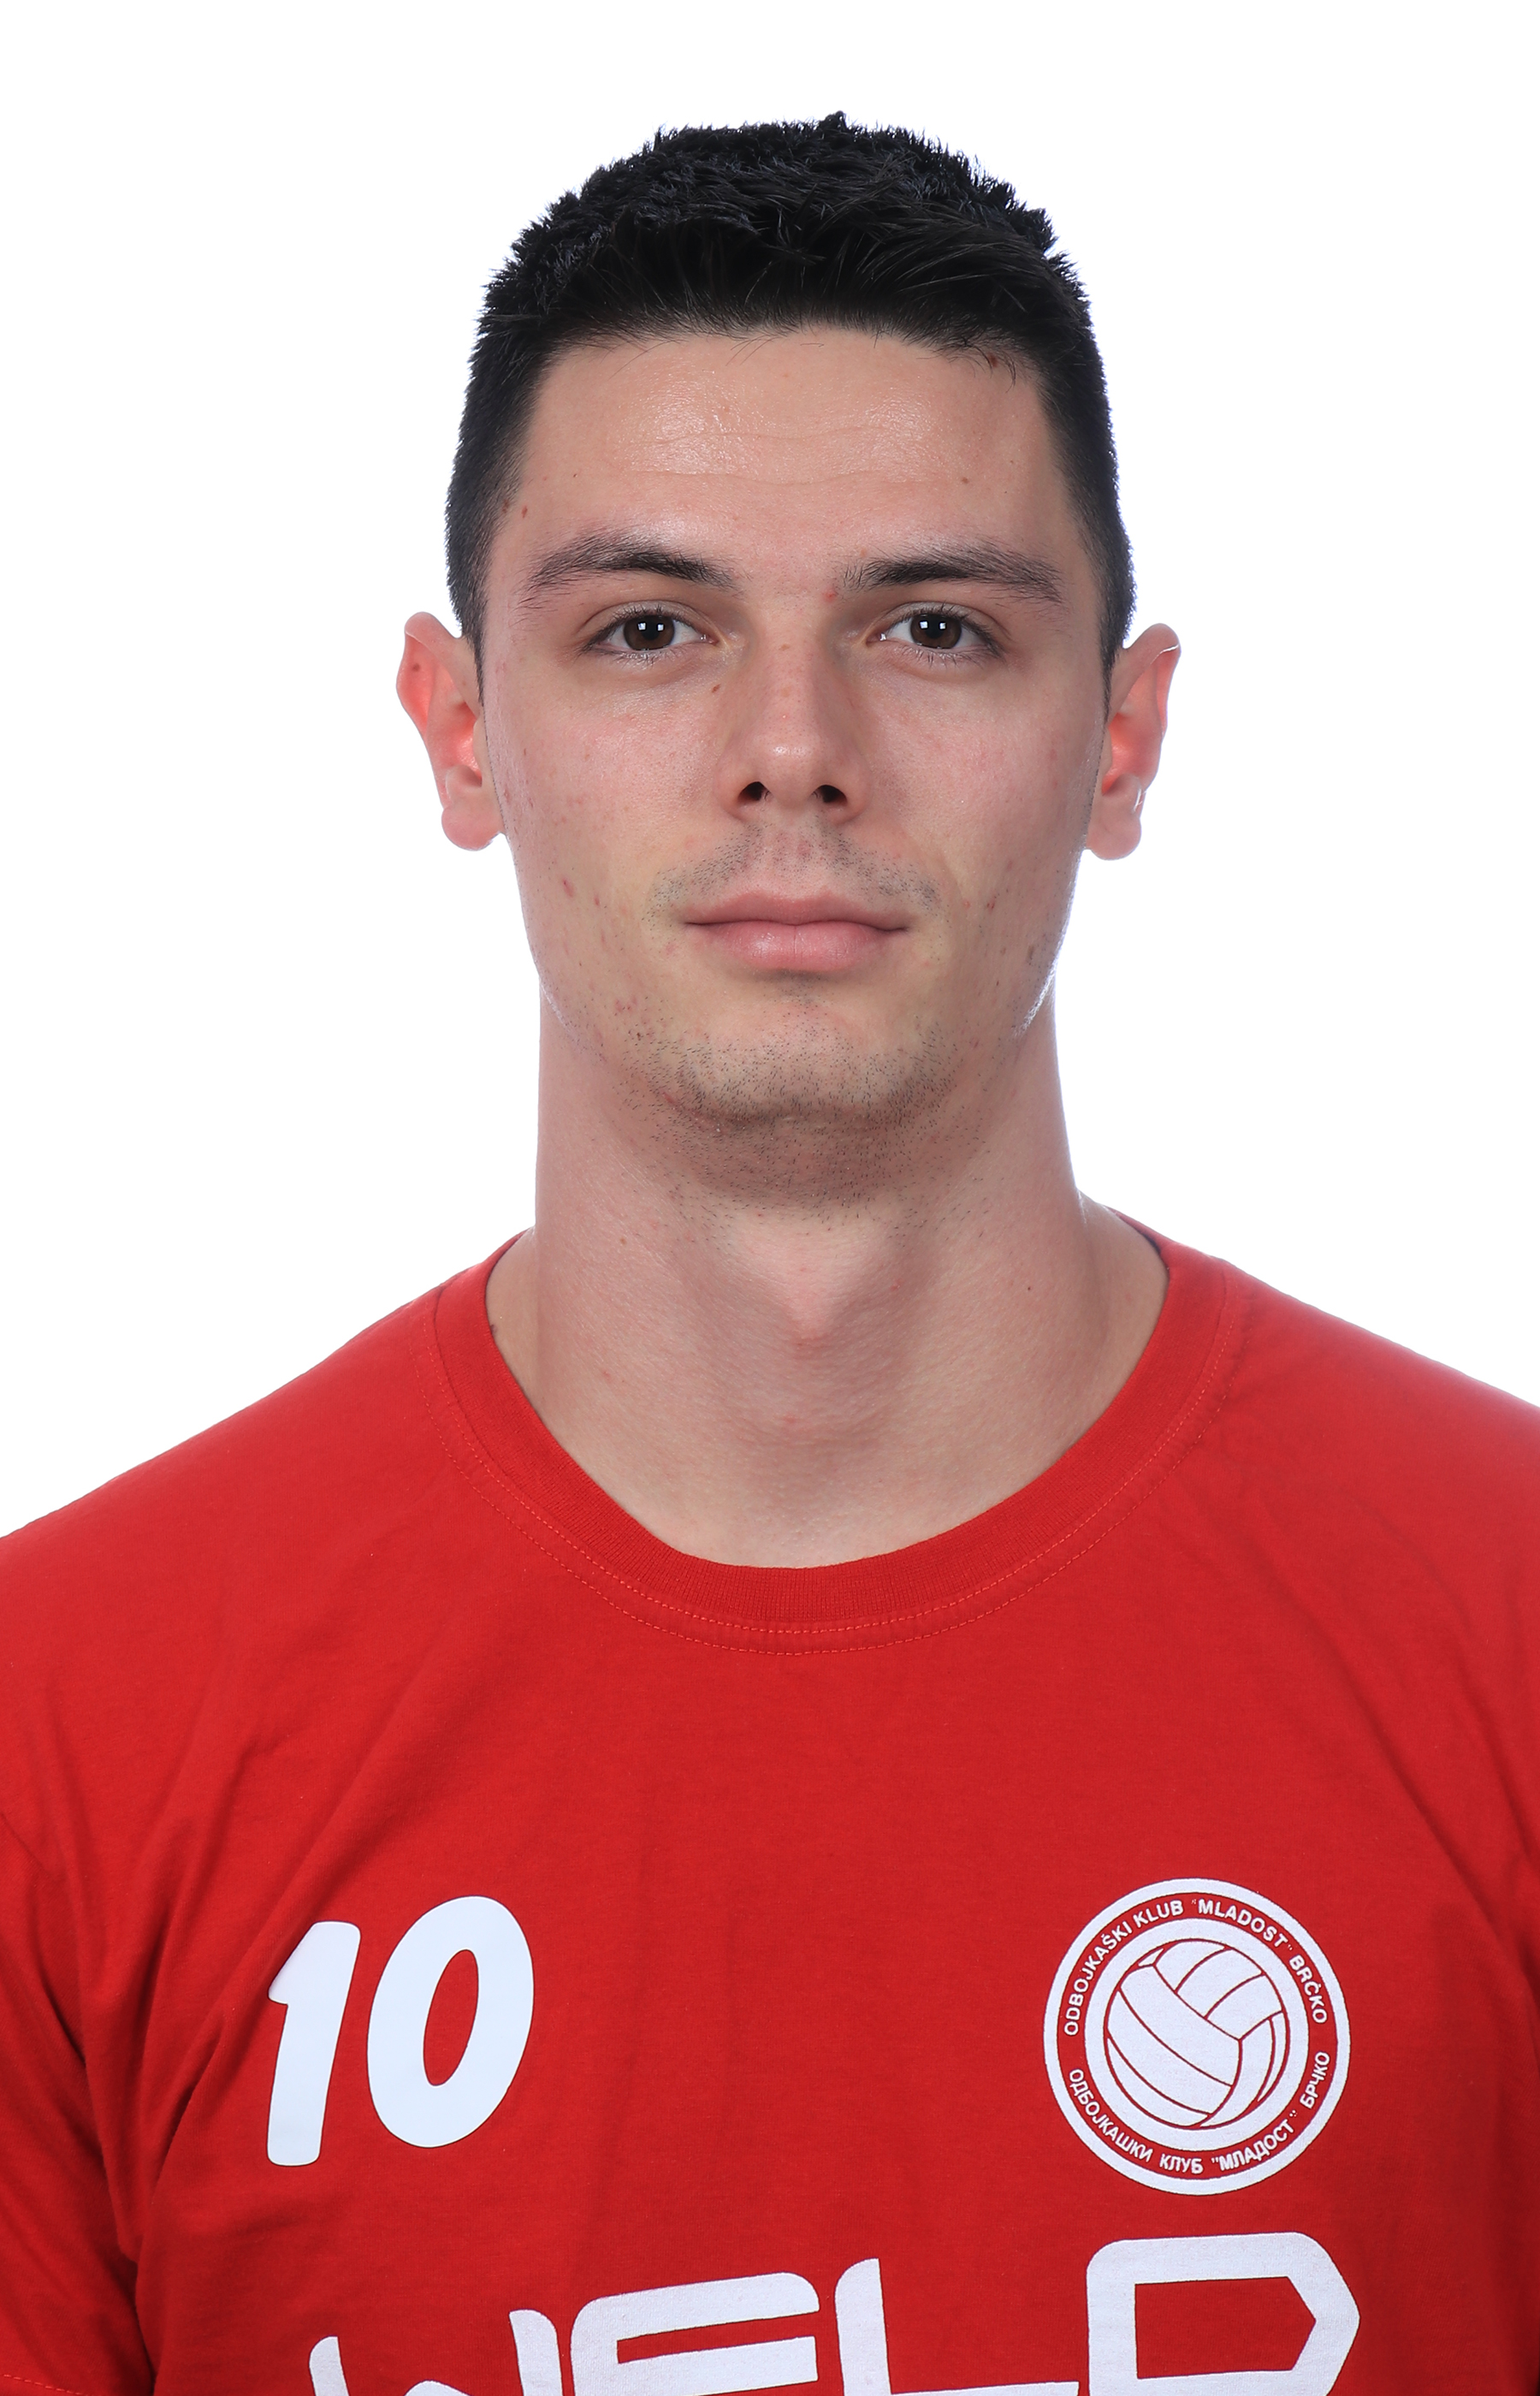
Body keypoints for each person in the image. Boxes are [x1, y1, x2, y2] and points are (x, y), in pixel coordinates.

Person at [0, 115, 1535, 2396]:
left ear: (1123, 735)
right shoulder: (61, 1734)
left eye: (934, 629)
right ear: (461, 731)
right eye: (649, 630)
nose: (793, 751)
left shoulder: (1509, 1628)